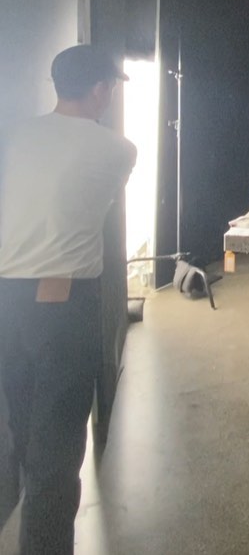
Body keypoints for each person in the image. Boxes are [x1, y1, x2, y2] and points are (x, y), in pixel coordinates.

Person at [0, 45, 137, 553]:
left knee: (17, 432)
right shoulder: (119, 149)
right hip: (62, 307)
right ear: (100, 90)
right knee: (55, 455)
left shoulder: (15, 134)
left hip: (6, 301)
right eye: (112, 86)